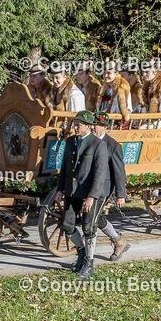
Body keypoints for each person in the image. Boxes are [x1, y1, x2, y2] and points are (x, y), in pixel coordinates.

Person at [54, 110, 109, 279]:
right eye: (74, 123)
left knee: (88, 228)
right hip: (72, 191)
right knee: (68, 225)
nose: (75, 127)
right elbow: (64, 169)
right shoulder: (70, 142)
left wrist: (92, 196)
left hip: (90, 194)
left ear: (88, 126)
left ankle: (89, 264)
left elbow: (100, 174)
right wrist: (59, 189)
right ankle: (82, 252)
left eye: (79, 124)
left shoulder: (97, 144)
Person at [92, 112, 130, 261]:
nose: (94, 127)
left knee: (95, 218)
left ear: (105, 127)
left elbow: (119, 171)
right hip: (87, 186)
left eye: (98, 125)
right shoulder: (87, 141)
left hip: (104, 188)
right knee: (89, 216)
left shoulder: (113, 146)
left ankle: (118, 240)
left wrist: (121, 194)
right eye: (93, 124)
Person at [98, 61, 132, 128]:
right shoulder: (105, 87)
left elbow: (126, 109)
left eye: (108, 73)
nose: (105, 76)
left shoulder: (121, 87)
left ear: (116, 73)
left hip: (117, 123)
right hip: (105, 119)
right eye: (104, 73)